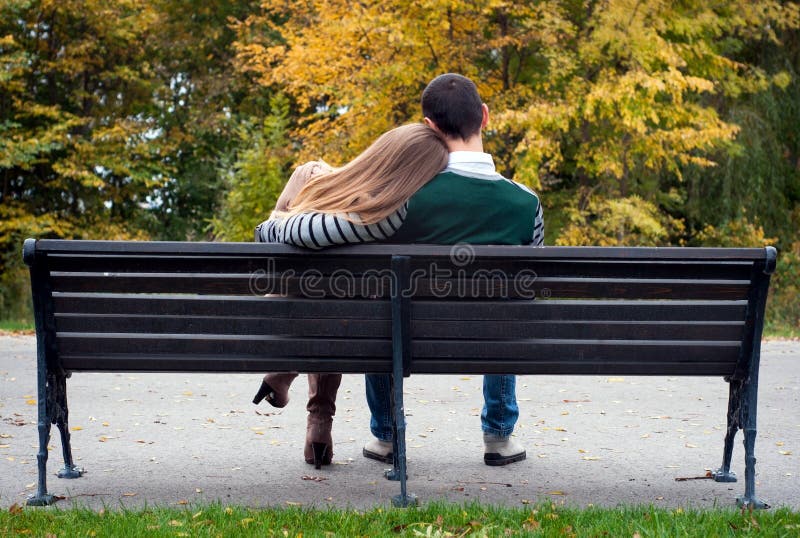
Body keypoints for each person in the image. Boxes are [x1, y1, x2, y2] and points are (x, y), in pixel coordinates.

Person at [259, 74, 545, 467]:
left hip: (405, 338)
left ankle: (387, 435)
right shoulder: (527, 204)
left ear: (429, 128)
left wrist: (271, 224)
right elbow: (528, 288)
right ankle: (498, 434)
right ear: (484, 116)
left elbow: (311, 232)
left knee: (384, 297)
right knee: (504, 305)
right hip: (489, 339)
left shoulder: (401, 199)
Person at [253, 123, 450, 468]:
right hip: (365, 319)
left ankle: (293, 377)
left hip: (321, 312)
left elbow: (268, 239)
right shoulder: (414, 214)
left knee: (310, 173)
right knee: (337, 285)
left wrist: (272, 224)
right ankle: (317, 419)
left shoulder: (371, 216)